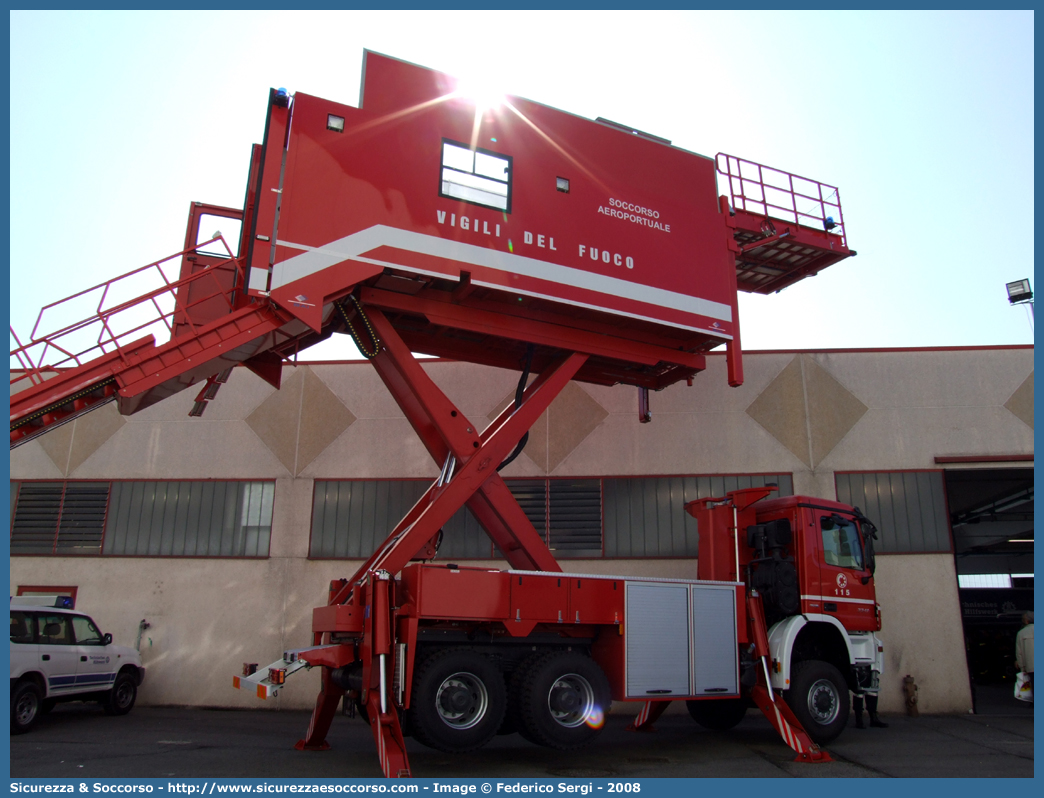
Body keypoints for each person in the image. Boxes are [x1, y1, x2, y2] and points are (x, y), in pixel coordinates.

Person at [1015, 611, 1034, 698]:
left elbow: (1019, 653)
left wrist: (1022, 667)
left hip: (1030, 665)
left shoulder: (1021, 633)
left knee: (1033, 683)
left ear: (1026, 621)